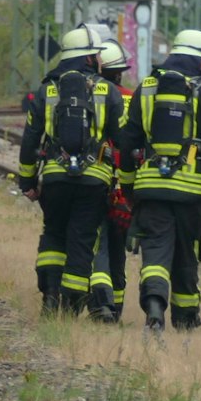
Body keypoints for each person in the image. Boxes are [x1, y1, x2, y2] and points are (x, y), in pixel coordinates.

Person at [114, 28, 201, 332]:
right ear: (199, 61)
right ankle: (185, 319)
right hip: (193, 193)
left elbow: (128, 141)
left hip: (151, 189)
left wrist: (128, 187)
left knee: (154, 251)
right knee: (185, 255)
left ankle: (154, 308)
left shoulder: (146, 88)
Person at [16, 25, 120, 317]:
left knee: (53, 233)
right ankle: (71, 307)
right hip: (94, 180)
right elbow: (123, 139)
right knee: (82, 238)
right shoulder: (106, 90)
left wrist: (28, 180)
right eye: (97, 55)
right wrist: (124, 181)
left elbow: (30, 139)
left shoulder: (47, 89)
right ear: (88, 58)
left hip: (55, 178)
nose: (100, 60)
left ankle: (50, 296)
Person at [88, 39, 135, 324]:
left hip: (96, 178)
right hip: (125, 185)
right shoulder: (131, 97)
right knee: (118, 245)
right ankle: (115, 307)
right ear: (119, 71)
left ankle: (100, 301)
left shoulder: (86, 94)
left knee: (98, 241)